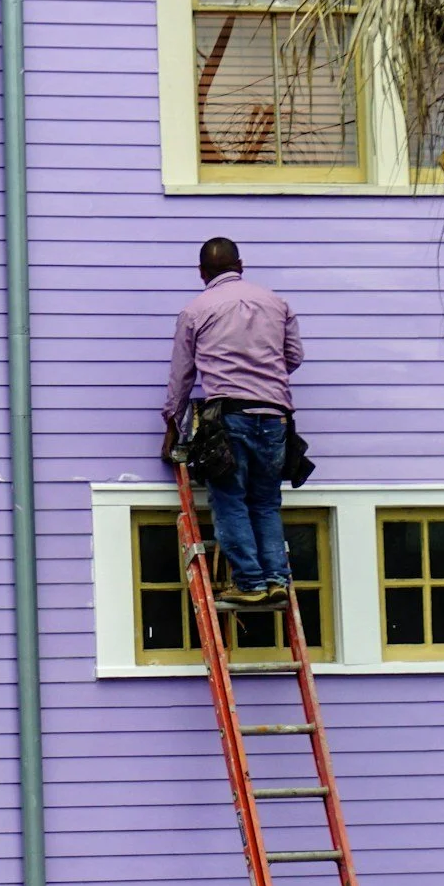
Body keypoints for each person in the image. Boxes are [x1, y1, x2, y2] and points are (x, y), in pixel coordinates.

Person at [162, 236, 303, 608]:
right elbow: (294, 357)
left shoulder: (196, 310)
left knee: (230, 500)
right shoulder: (276, 303)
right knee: (266, 501)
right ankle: (275, 579)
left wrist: (173, 423)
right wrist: (264, 375)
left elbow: (182, 376)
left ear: (202, 272)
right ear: (240, 266)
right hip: (275, 417)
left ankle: (251, 582)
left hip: (229, 417)